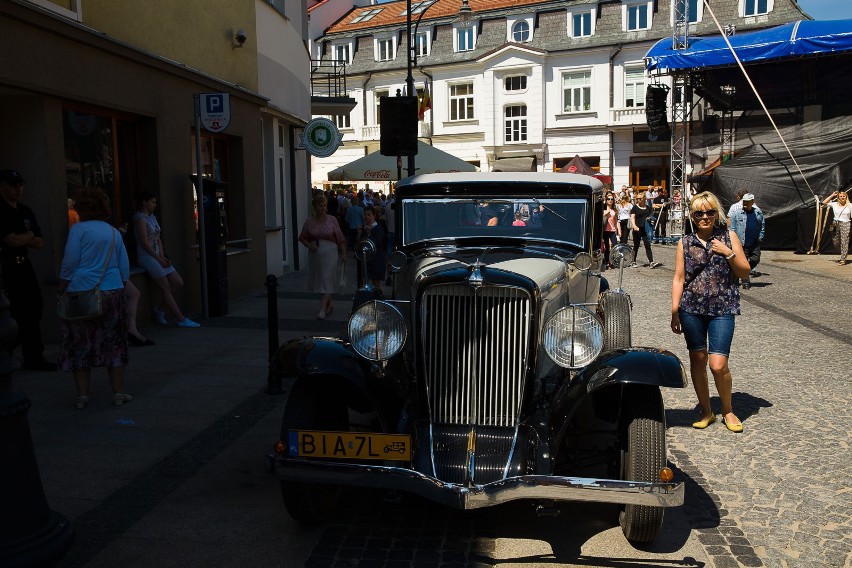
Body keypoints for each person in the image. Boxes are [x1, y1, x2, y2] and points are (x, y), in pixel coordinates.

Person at [670, 191, 750, 433]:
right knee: (698, 359)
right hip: (691, 309)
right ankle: (706, 410)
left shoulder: (729, 236)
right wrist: (675, 310)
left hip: (722, 308)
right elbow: (679, 278)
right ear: (692, 216)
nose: (705, 216)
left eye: (710, 212)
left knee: (717, 364)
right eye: (699, 213)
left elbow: (744, 271)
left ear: (717, 213)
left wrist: (728, 253)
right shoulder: (684, 242)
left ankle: (728, 410)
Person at [57, 187, 132, 408]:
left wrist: (61, 288)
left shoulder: (78, 230)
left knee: (80, 342)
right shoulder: (113, 232)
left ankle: (82, 395)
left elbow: (69, 263)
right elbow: (124, 266)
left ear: (80, 208)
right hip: (111, 290)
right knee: (114, 342)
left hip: (81, 292)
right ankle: (118, 393)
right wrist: (119, 287)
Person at [0, 169, 56, 371]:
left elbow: (39, 242)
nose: (18, 189)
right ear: (3, 186)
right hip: (6, 269)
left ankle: (34, 357)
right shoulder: (1, 210)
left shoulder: (25, 211)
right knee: (11, 313)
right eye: (13, 185)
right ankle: (6, 355)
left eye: (20, 185)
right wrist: (29, 235)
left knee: (33, 310)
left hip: (24, 266)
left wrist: (26, 236)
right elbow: (11, 240)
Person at [133, 192, 200, 328]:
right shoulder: (140, 218)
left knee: (178, 282)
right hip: (146, 256)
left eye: (155, 202)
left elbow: (158, 238)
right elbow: (144, 243)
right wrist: (158, 259)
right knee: (166, 287)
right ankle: (181, 319)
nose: (155, 205)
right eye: (152, 202)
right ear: (144, 202)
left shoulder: (152, 217)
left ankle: (159, 309)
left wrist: (163, 257)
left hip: (158, 256)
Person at [299, 195, 347, 319]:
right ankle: (329, 304)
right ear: (315, 207)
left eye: (325, 205)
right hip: (315, 254)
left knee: (326, 278)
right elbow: (302, 237)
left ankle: (322, 309)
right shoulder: (309, 221)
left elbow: (340, 238)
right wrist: (310, 245)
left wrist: (344, 253)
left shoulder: (332, 220)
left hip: (330, 252)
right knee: (321, 279)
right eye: (320, 205)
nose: (323, 208)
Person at [728, 193, 765, 287]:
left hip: (755, 242)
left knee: (756, 259)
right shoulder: (737, 213)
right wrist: (733, 241)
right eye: (744, 201)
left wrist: (760, 236)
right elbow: (732, 228)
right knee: (743, 261)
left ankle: (743, 270)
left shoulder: (758, 212)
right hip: (742, 243)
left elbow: (762, 225)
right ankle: (745, 281)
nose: (745, 203)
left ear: (752, 202)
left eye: (747, 202)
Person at [629, 194, 659, 268]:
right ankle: (633, 261)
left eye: (640, 198)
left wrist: (650, 218)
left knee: (647, 245)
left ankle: (651, 262)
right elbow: (632, 217)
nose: (638, 199)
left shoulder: (648, 207)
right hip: (637, 228)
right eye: (637, 198)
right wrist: (634, 226)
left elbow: (650, 215)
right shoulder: (635, 207)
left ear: (644, 199)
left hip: (646, 229)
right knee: (636, 246)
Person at [361, 206, 387, 289]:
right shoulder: (364, 228)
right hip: (368, 260)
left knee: (376, 283)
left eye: (369, 214)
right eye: (365, 214)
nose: (366, 216)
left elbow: (376, 242)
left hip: (376, 259)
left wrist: (369, 232)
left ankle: (379, 300)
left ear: (374, 216)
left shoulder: (378, 228)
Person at [823, 188, 851, 265]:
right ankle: (842, 253)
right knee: (835, 241)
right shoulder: (834, 204)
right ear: (838, 197)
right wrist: (832, 195)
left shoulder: (850, 205)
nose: (842, 197)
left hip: (845, 223)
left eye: (843, 196)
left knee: (844, 241)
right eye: (840, 196)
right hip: (835, 223)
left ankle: (843, 259)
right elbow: (824, 203)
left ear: (846, 197)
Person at [602, 192, 619, 268]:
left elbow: (616, 222)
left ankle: (612, 260)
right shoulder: (603, 209)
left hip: (612, 231)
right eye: (608, 199)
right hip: (605, 231)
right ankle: (606, 261)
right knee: (606, 247)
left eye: (612, 199)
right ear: (606, 200)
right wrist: (605, 214)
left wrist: (618, 231)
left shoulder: (614, 210)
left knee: (615, 246)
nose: (610, 200)